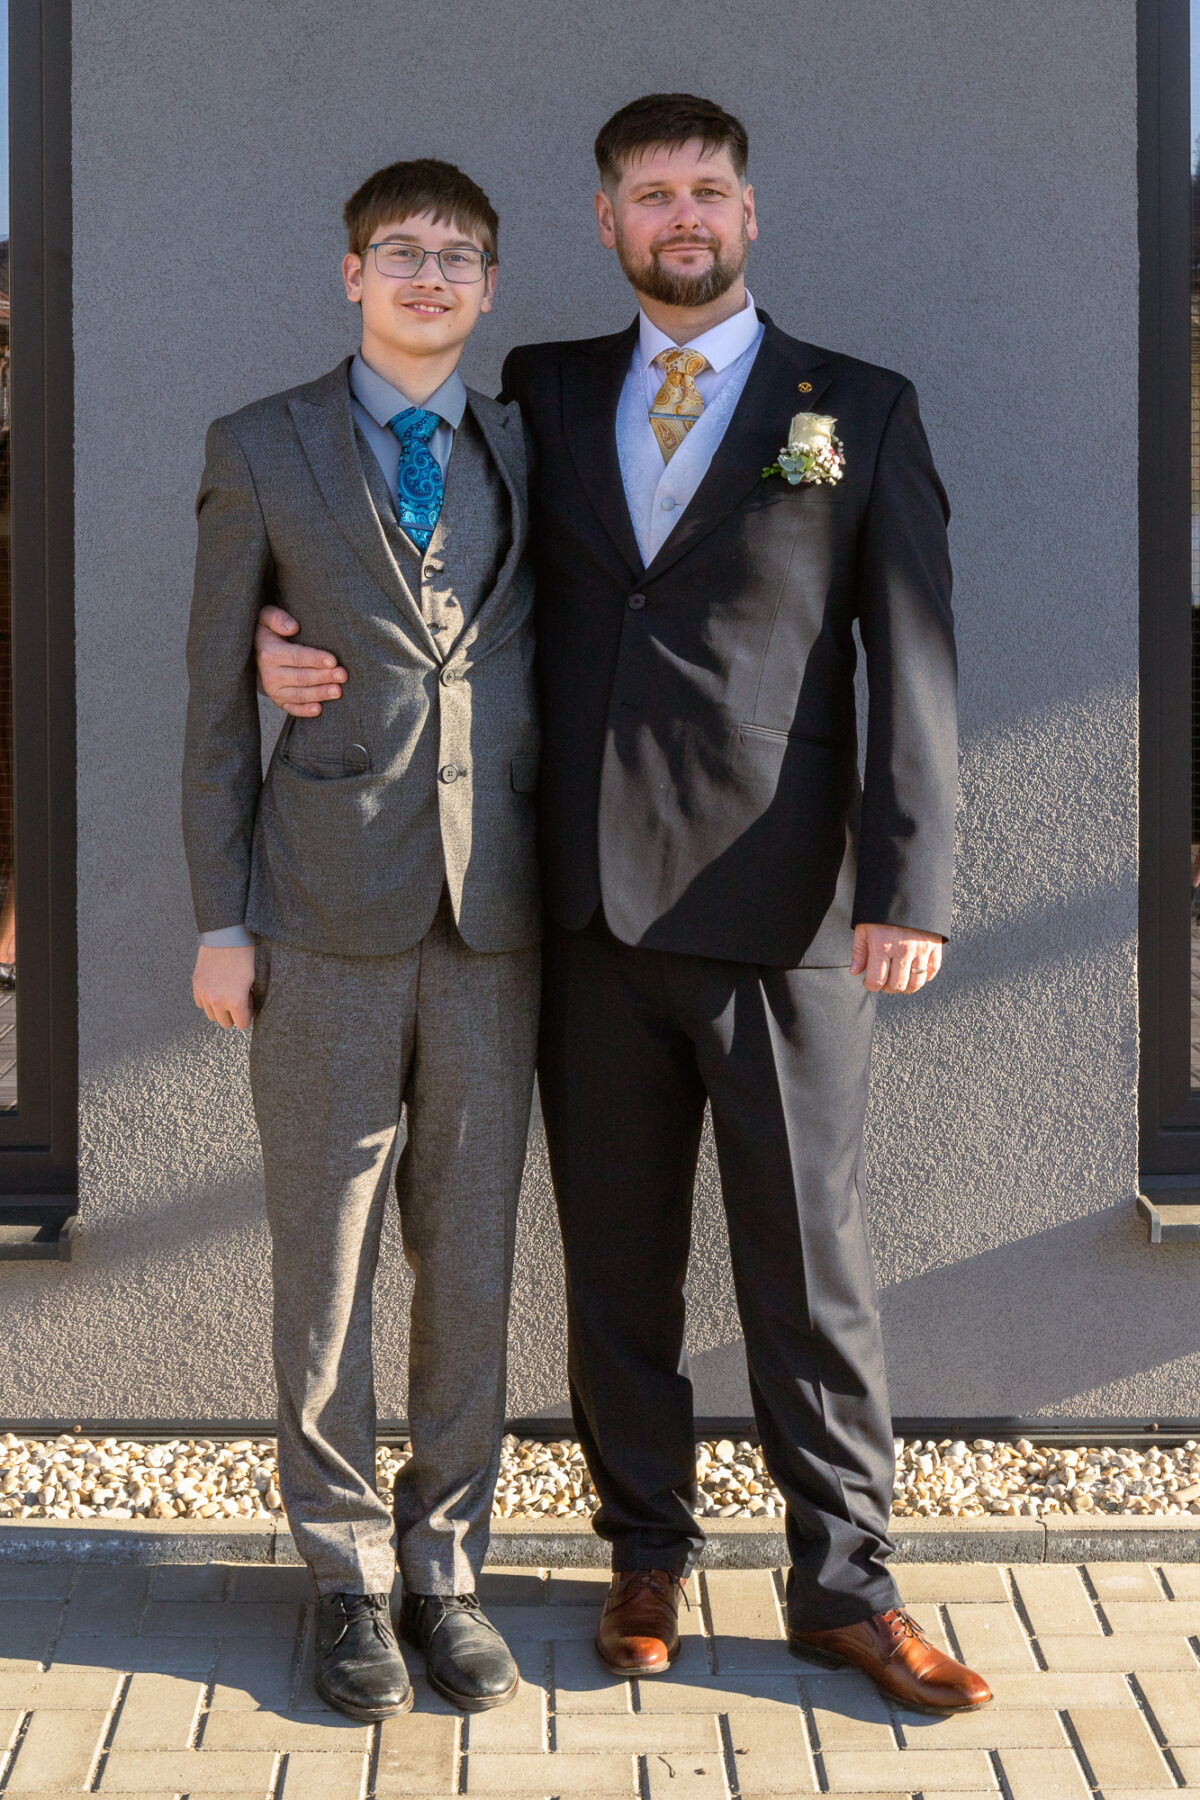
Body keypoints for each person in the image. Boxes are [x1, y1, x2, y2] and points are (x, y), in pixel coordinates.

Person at [254, 95, 991, 1714]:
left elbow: (914, 654)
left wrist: (909, 881)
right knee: (617, 1267)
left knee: (812, 1268)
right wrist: (279, 631)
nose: (681, 215)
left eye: (706, 189)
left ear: (749, 212)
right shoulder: (543, 389)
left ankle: (846, 1583)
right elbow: (416, 550)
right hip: (582, 911)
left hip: (782, 913)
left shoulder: (855, 407)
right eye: (650, 194)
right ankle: (643, 1551)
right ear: (605, 222)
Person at [182, 158, 540, 1722]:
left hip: (498, 922)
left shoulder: (529, 442)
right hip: (319, 918)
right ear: (351, 274)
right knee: (322, 1262)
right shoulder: (258, 446)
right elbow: (214, 695)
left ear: (489, 285)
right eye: (402, 251)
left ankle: (445, 1568)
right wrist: (220, 917)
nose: (429, 275)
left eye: (459, 255)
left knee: (471, 1259)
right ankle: (339, 1573)